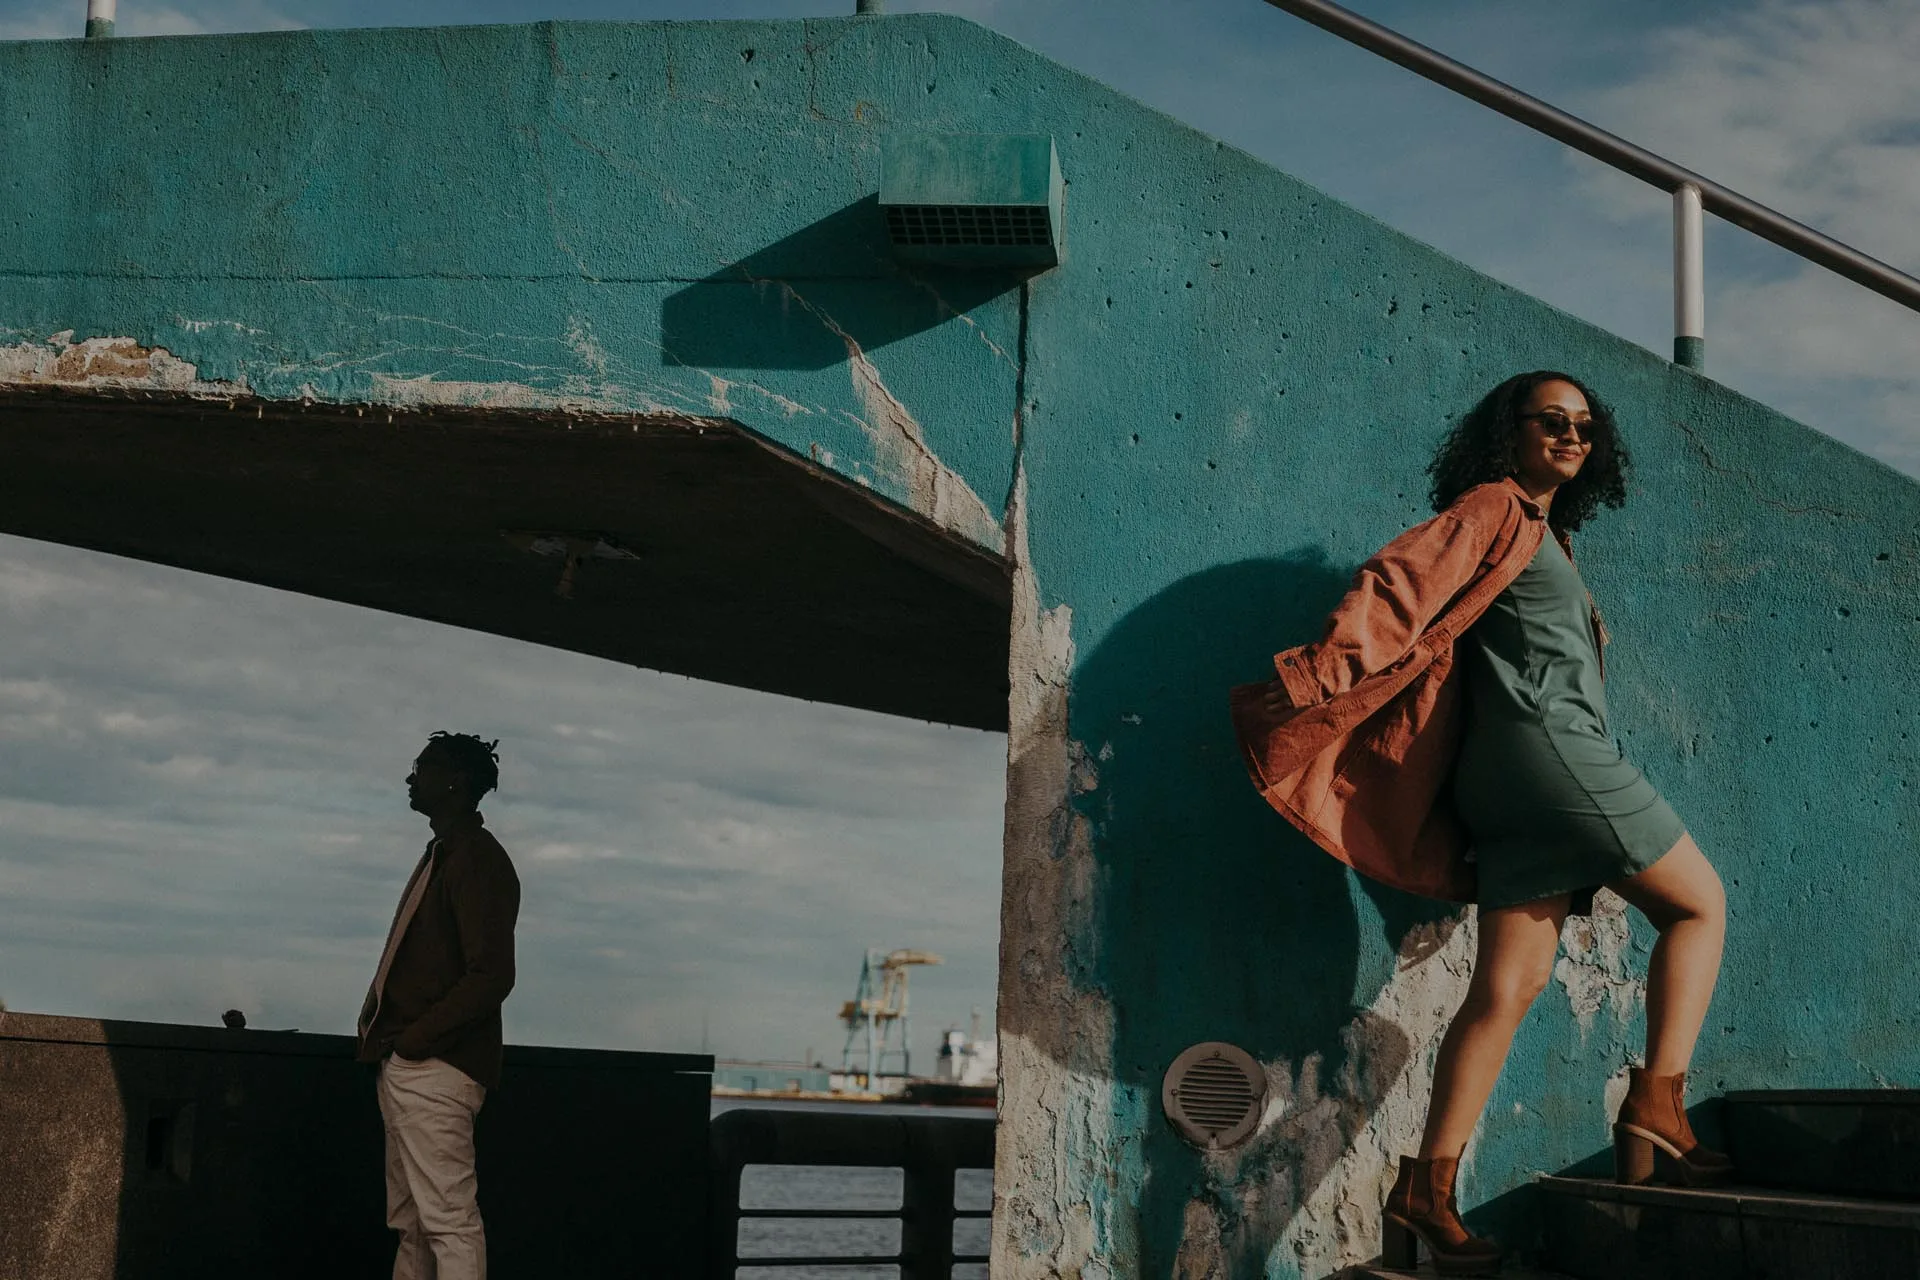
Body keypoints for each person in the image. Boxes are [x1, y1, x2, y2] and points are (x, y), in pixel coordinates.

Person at [1231, 372, 1729, 1276]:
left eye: (1585, 425)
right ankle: (1658, 1102)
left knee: (1508, 987)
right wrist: (1323, 673)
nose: (1572, 436)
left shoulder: (1547, 535)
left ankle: (1426, 1187)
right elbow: (1398, 584)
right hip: (1554, 757)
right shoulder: (1495, 507)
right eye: (1552, 421)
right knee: (1699, 905)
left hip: (1508, 785)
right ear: (1513, 431)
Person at [357, 731, 521, 1280]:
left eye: (422, 767)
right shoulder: (448, 854)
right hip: (416, 1065)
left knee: (447, 1223)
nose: (411, 778)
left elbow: (493, 974)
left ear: (455, 781)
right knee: (413, 1225)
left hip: (435, 1068)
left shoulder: (475, 860)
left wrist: (415, 1043)